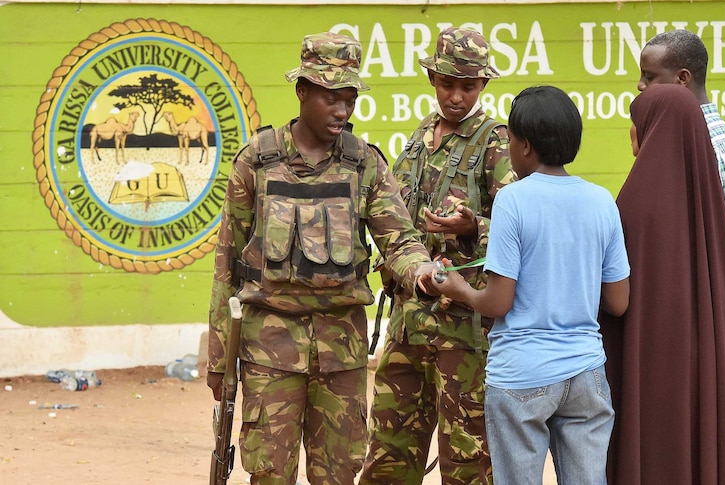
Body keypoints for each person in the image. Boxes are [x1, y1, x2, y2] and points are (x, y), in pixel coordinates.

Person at [206, 32, 434, 485]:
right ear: (303, 92)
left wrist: (422, 270)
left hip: (341, 352)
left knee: (339, 475)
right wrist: (218, 357)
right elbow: (228, 262)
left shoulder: (364, 163)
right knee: (270, 475)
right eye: (332, 98)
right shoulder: (257, 160)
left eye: (350, 99)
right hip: (268, 349)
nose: (342, 111)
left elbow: (400, 240)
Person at [426, 85, 630, 485]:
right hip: (586, 372)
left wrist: (457, 289)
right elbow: (619, 302)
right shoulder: (602, 200)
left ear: (525, 146)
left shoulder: (513, 200)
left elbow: (499, 302)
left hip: (522, 372)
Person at [360, 27, 514, 485]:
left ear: (483, 85)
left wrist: (473, 227)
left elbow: (519, 228)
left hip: (464, 331)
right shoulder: (417, 140)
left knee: (466, 460)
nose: (456, 96)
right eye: (448, 84)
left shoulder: (495, 142)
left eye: (468, 86)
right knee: (388, 453)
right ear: (432, 79)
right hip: (408, 323)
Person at [599, 84, 725, 485]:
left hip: (648, 367)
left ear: (651, 128)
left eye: (635, 124)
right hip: (703, 369)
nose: (631, 133)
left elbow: (615, 296)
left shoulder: (635, 202)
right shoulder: (711, 205)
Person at [637, 29, 725, 292]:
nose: (640, 86)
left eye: (650, 76)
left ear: (682, 78)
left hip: (692, 315)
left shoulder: (688, 144)